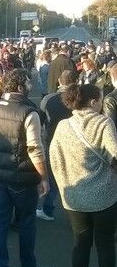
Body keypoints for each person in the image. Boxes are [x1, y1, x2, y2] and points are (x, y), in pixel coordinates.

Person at [49, 83, 117, 267]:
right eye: (99, 98)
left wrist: (63, 185)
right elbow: (115, 153)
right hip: (104, 194)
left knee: (80, 243)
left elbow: (55, 158)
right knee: (106, 243)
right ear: (93, 101)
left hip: (74, 195)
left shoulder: (63, 126)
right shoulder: (104, 123)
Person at [0, 69, 52, 267]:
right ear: (21, 86)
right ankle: (28, 265)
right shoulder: (28, 112)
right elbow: (35, 148)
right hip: (22, 175)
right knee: (27, 222)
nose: (31, 85)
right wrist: (44, 177)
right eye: (28, 82)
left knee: (0, 221)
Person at [38, 69, 80, 221]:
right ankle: (78, 213)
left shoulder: (49, 99)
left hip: (53, 141)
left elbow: (40, 120)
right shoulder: (80, 98)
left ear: (60, 81)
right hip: (76, 141)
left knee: (53, 177)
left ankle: (48, 209)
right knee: (76, 177)